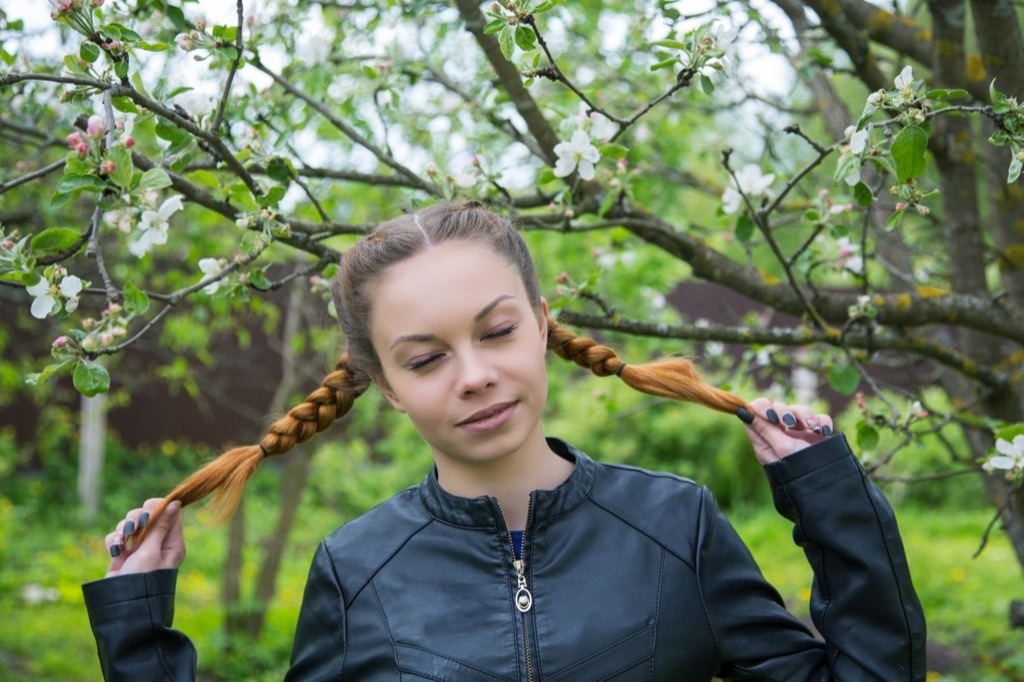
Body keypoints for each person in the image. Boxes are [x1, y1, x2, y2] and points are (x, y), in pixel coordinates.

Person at [82, 202, 926, 681]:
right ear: (387, 386)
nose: (474, 375)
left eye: (495, 332)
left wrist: (833, 504)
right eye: (426, 357)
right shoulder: (355, 567)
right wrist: (139, 634)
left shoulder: (677, 525)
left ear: (543, 327)